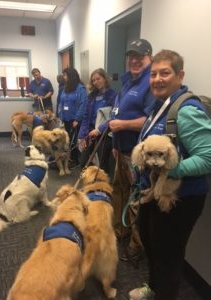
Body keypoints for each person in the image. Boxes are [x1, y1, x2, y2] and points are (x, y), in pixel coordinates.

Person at [128, 50, 211, 300]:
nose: (157, 79)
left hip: (180, 198)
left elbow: (207, 158)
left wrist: (172, 168)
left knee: (168, 256)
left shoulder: (185, 110)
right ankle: (153, 288)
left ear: (180, 75)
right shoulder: (157, 107)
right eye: (153, 74)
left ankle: (164, 294)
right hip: (154, 192)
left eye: (165, 73)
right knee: (151, 247)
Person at [102, 39, 155, 261]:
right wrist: (114, 144)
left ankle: (135, 246)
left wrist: (122, 126)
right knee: (118, 190)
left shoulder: (151, 82)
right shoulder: (127, 83)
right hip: (120, 150)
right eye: (131, 56)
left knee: (135, 199)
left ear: (149, 58)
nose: (134, 60)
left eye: (139, 56)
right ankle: (118, 231)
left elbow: (151, 120)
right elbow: (116, 114)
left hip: (137, 154)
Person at [78, 68, 116, 175]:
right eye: (93, 80)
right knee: (84, 162)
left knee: (103, 165)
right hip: (90, 131)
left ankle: (103, 187)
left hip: (105, 133)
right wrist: (82, 136)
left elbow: (113, 117)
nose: (95, 82)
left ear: (105, 78)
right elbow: (86, 117)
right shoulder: (91, 96)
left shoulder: (113, 96)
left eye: (98, 79)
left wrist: (99, 130)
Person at [57, 67, 87, 168]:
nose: (63, 77)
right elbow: (61, 102)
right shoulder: (65, 88)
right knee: (68, 140)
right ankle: (69, 158)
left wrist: (78, 119)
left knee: (74, 140)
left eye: (65, 75)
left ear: (71, 76)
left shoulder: (80, 88)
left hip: (75, 120)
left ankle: (75, 160)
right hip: (66, 118)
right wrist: (60, 115)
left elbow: (83, 104)